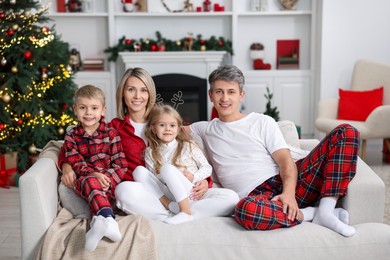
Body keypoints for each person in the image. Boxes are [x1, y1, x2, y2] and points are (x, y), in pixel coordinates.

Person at [187, 64, 359, 237]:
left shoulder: (262, 122)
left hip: (289, 183)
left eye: (231, 92)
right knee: (244, 211)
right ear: (210, 95)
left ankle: (326, 210)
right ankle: (312, 214)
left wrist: (288, 194)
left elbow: (285, 161)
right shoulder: (204, 128)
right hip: (257, 199)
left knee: (346, 132)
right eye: (219, 91)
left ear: (241, 95)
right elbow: (166, 126)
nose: (225, 98)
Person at [60, 67, 238, 223]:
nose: (137, 96)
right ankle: (172, 215)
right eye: (131, 90)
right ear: (123, 93)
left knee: (231, 198)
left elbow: (190, 153)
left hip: (181, 187)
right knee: (123, 191)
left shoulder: (165, 121)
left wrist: (205, 182)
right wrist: (67, 166)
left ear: (150, 94)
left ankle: (184, 212)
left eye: (143, 90)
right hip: (147, 192)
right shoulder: (113, 128)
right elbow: (75, 142)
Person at [133, 104, 229, 224]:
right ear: (153, 128)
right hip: (168, 193)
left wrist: (194, 177)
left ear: (178, 128)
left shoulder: (188, 145)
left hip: (190, 190)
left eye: (172, 125)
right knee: (139, 171)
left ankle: (184, 211)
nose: (167, 129)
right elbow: (153, 179)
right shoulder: (150, 152)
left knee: (232, 198)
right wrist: (168, 176)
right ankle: (176, 207)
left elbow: (207, 167)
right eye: (162, 125)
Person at [61, 85, 128, 251]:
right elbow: (75, 161)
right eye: (83, 108)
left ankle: (99, 223)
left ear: (103, 110)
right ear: (75, 109)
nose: (88, 113)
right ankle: (109, 220)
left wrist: (106, 179)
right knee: (89, 180)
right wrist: (93, 174)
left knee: (96, 183)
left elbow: (120, 164)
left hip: (107, 185)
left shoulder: (111, 134)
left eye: (94, 108)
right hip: (83, 181)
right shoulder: (72, 135)